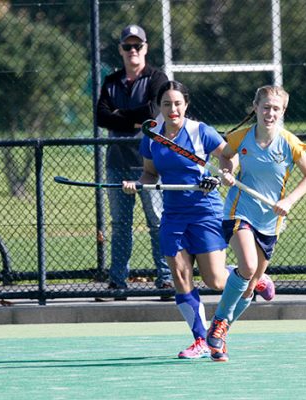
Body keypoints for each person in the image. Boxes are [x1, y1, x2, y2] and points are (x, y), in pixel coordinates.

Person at [122, 80, 274, 359]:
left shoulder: (200, 131)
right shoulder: (152, 135)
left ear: (186, 105)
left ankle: (253, 277)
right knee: (181, 277)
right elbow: (150, 174)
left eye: (177, 103)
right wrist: (137, 184)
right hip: (174, 216)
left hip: (206, 212)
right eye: (166, 104)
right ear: (159, 107)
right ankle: (201, 340)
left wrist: (217, 177)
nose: (172, 109)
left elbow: (229, 159)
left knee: (215, 280)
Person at [206, 85, 306, 362]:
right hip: (239, 210)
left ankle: (221, 335)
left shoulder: (290, 143)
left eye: (276, 109)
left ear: (283, 112)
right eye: (265, 107)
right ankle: (219, 320)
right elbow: (224, 156)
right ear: (255, 107)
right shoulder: (242, 137)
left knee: (250, 283)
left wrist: (289, 201)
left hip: (271, 220)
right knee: (248, 267)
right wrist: (227, 172)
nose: (270, 113)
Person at [96, 24, 172, 299]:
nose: (132, 51)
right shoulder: (112, 81)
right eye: (127, 46)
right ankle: (118, 282)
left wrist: (120, 114)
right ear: (120, 50)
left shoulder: (156, 78)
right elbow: (101, 117)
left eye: (137, 46)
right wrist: (133, 118)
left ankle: (165, 279)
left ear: (145, 48)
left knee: (158, 222)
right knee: (120, 225)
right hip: (117, 161)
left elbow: (153, 112)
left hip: (150, 163)